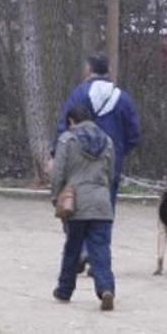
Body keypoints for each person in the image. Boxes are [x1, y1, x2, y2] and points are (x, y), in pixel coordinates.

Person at [51, 103, 116, 310]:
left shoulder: (67, 140)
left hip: (76, 202)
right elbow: (111, 174)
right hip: (102, 203)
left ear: (71, 120)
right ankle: (106, 289)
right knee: (101, 249)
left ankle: (64, 290)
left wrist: (56, 196)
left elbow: (58, 172)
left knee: (72, 248)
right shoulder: (107, 141)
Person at [55, 54, 141, 208]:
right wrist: (118, 151)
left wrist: (56, 154)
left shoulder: (78, 95)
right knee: (106, 211)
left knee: (75, 210)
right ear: (109, 70)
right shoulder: (123, 98)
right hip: (110, 164)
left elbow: (63, 126)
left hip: (78, 165)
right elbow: (133, 135)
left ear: (89, 70)